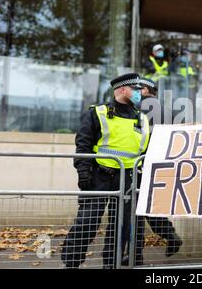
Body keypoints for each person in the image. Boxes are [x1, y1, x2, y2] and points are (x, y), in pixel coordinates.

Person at [61, 73, 150, 269]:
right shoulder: (97, 113)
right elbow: (83, 145)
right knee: (87, 222)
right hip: (99, 175)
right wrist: (83, 172)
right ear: (122, 89)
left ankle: (112, 265)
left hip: (128, 179)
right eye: (135, 89)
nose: (139, 93)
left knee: (122, 227)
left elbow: (146, 151)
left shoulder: (142, 119)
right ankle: (71, 263)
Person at [131, 78, 182, 264]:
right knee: (149, 206)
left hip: (139, 165)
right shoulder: (168, 110)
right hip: (160, 165)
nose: (135, 92)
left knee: (135, 211)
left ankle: (134, 255)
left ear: (145, 90)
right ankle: (170, 235)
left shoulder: (138, 109)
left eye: (138, 89)